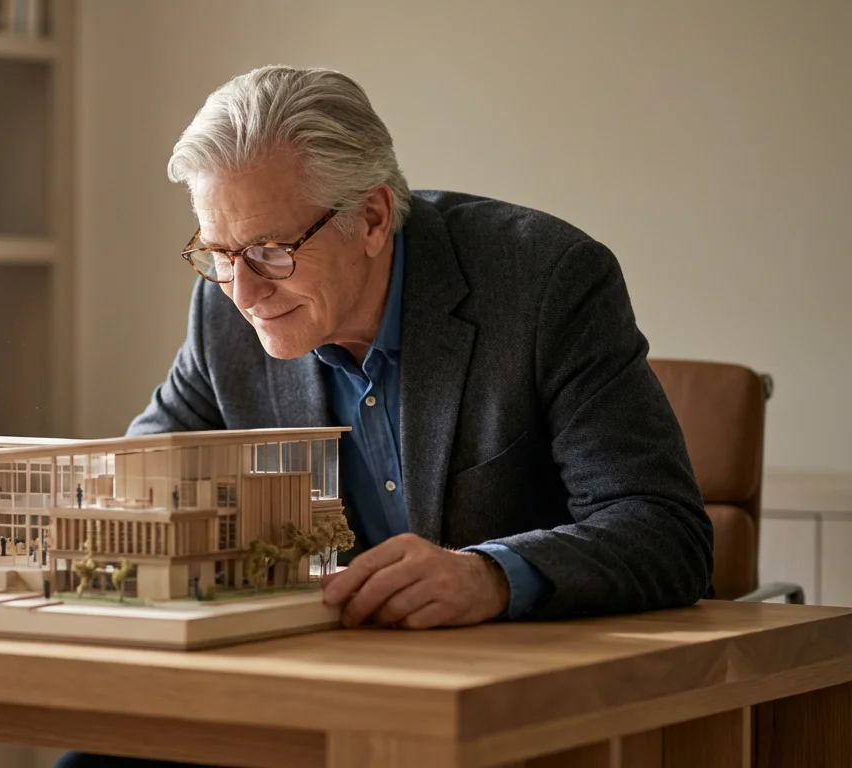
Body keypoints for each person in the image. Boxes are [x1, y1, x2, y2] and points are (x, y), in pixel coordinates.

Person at [54, 65, 712, 768]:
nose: (242, 291)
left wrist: (488, 576)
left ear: (370, 218)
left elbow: (664, 531)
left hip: (503, 712)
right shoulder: (223, 312)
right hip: (301, 694)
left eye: (272, 251)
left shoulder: (544, 281)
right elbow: (145, 475)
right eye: (218, 253)